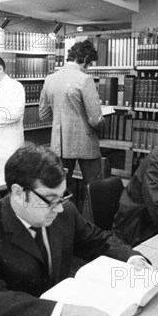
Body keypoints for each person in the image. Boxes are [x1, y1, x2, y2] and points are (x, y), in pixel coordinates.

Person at [0, 145, 150, 316]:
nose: (58, 209)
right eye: (49, 199)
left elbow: (97, 241)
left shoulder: (64, 211)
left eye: (62, 196)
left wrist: (132, 258)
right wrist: (65, 314)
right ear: (18, 193)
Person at [39, 40, 104, 218]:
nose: (88, 68)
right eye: (89, 64)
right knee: (92, 187)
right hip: (85, 142)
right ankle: (89, 225)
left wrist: (63, 118)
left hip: (59, 142)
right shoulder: (85, 79)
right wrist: (101, 120)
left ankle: (61, 222)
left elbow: (43, 114)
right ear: (85, 59)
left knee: (60, 188)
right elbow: (95, 119)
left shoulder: (50, 79)